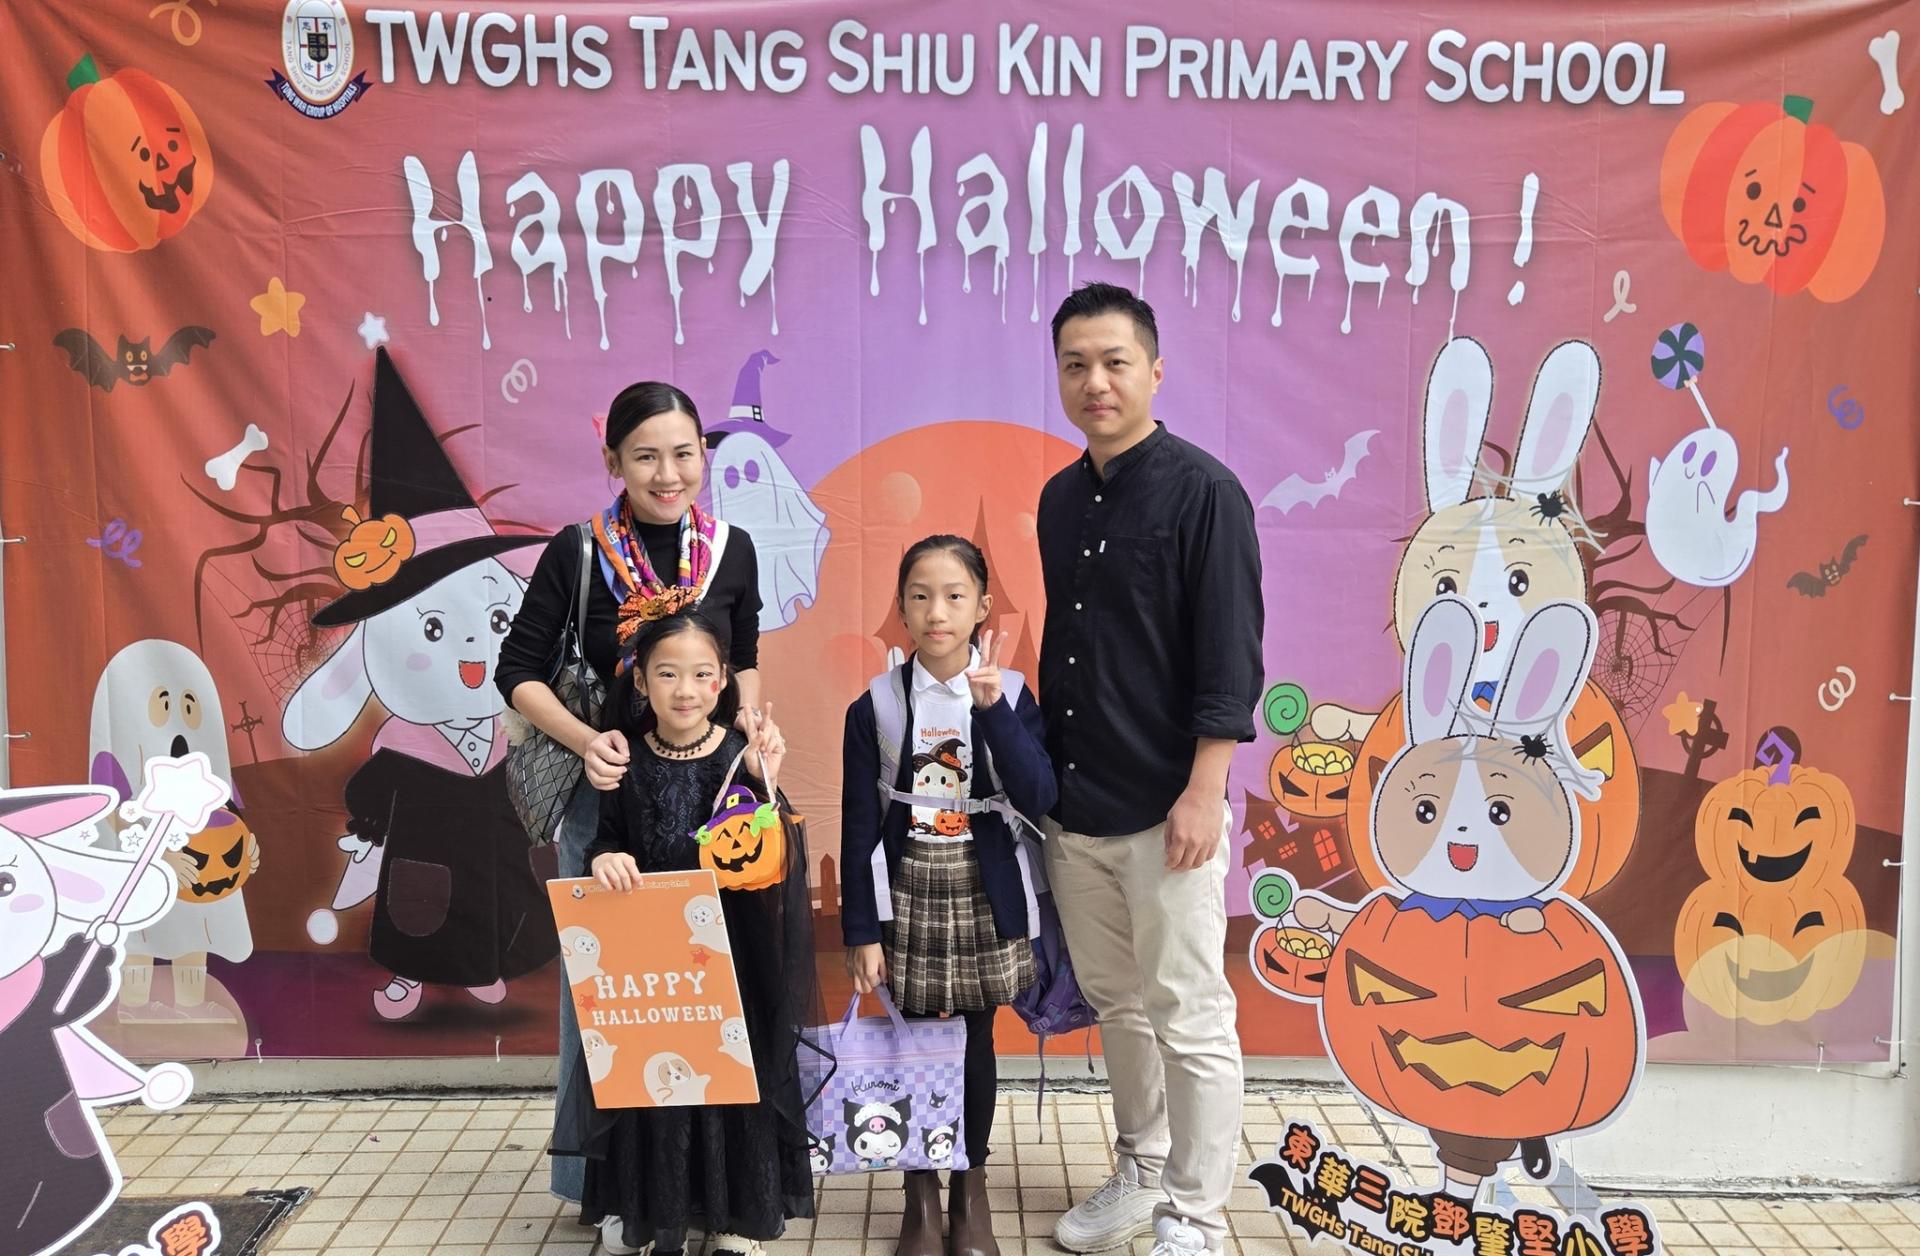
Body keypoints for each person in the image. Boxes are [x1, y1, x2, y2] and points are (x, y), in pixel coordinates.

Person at [495, 380, 766, 1206]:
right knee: (608, 993)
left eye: (683, 454)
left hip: (710, 799)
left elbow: (745, 660)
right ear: (613, 461)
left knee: (708, 988)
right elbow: (517, 673)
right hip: (608, 799)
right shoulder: (578, 552)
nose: (667, 473)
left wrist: (755, 731)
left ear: (704, 457)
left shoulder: (732, 550)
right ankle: (599, 1182)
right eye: (646, 456)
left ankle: (701, 1183)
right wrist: (589, 744)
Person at [1036, 283, 1264, 1256]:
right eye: (1076, 364)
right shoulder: (1058, 498)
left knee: (1190, 1012)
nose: (1095, 381)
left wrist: (1205, 791)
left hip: (1169, 810)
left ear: (1155, 371)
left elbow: (1230, 656)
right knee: (1118, 1003)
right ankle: (1141, 1167)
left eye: (1114, 361)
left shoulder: (1205, 492)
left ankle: (1194, 1215)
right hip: (1074, 805)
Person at [551, 609, 818, 1256]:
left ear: (723, 681)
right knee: (656, 1079)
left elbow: (771, 852)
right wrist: (605, 860)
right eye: (667, 674)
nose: (685, 690)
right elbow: (607, 839)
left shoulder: (737, 756)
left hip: (729, 956)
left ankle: (731, 1219)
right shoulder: (624, 759)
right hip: (651, 959)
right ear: (642, 682)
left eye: (701, 674)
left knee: (729, 1077)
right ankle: (651, 1210)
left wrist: (765, 779)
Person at [840, 536, 1057, 1256]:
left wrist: (992, 711)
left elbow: (1039, 794)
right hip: (905, 887)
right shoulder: (874, 705)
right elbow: (858, 823)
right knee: (911, 1037)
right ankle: (919, 1192)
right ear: (901, 609)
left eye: (955, 596)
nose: (938, 612)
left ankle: (970, 1186)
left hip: (983, 885)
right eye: (921, 596)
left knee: (975, 1037)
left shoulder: (1011, 693)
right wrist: (860, 931)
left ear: (982, 606)